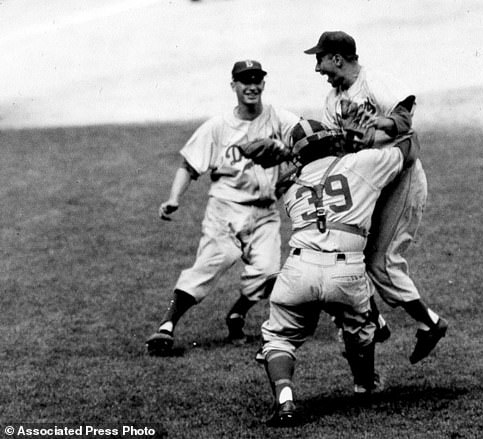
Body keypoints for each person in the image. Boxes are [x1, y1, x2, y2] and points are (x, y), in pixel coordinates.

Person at [257, 119, 421, 426]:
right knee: (360, 331)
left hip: (298, 267)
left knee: (278, 338)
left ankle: (286, 401)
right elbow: (409, 149)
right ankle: (364, 384)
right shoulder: (362, 163)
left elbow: (291, 173)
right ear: (332, 142)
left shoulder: (289, 186)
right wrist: (396, 122)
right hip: (346, 269)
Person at [304, 31, 448, 364]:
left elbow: (403, 120)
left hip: (400, 178)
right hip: (370, 184)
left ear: (337, 58)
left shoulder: (374, 81)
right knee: (346, 253)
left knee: (381, 264)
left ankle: (431, 324)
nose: (317, 69)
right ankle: (375, 320)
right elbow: (338, 146)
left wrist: (375, 124)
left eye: (320, 60)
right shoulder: (332, 99)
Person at [145, 60, 300, 355]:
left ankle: (237, 313)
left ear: (264, 84)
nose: (252, 86)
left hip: (265, 212)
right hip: (225, 210)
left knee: (269, 273)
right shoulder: (218, 126)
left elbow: (305, 135)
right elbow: (189, 165)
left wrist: (289, 150)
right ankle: (166, 326)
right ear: (234, 86)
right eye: (245, 81)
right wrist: (173, 198)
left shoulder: (279, 118)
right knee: (211, 263)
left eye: (257, 80)